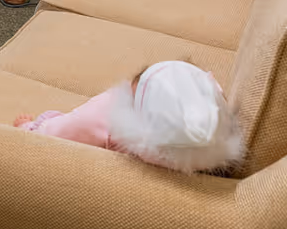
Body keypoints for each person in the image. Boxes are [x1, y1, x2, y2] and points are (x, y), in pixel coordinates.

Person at [13, 60, 244, 173]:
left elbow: (57, 134)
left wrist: (29, 128)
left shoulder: (104, 116)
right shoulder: (208, 143)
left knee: (52, 122)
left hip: (66, 132)